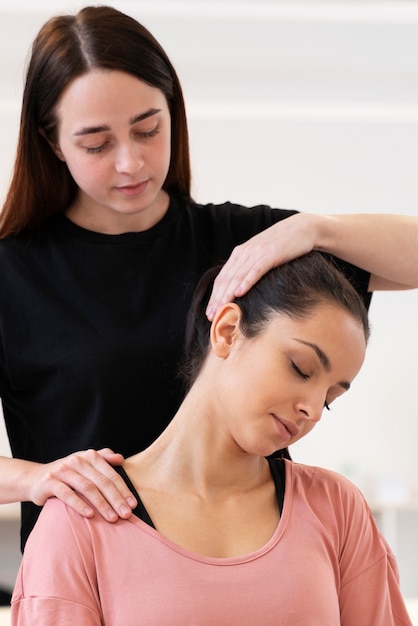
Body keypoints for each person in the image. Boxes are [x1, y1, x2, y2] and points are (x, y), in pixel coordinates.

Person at [1, 5, 418, 552]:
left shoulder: (243, 246)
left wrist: (315, 230)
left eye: (148, 129)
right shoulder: (14, 271)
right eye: (97, 144)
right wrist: (34, 478)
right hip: (94, 565)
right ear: (53, 143)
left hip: (255, 555)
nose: (131, 162)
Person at [10, 252, 412, 625]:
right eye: (301, 368)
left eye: (329, 399)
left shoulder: (337, 509)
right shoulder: (80, 521)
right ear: (228, 330)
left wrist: (312, 228)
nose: (310, 407)